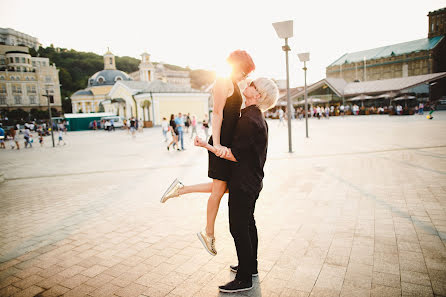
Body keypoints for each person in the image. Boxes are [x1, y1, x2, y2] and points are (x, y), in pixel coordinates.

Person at [161, 50, 256, 255]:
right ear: (237, 65)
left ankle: (180, 189)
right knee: (219, 190)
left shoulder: (234, 82)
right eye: (244, 72)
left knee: (225, 187)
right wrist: (218, 145)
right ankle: (208, 233)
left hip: (228, 145)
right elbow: (217, 113)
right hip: (221, 143)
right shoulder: (223, 81)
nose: (244, 76)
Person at [194, 77, 279, 293]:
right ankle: (250, 267)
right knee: (248, 225)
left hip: (243, 184)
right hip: (253, 181)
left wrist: (207, 145)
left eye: (253, 85)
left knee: (239, 228)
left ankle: (244, 279)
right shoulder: (256, 117)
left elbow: (233, 155)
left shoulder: (248, 120)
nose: (248, 85)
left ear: (258, 96)